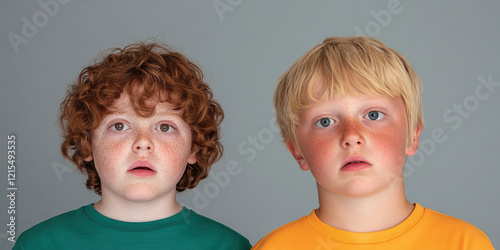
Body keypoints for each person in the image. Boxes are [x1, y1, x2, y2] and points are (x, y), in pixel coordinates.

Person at [253, 36, 494, 249]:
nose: (351, 136)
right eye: (325, 121)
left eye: (373, 115)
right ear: (297, 152)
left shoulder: (464, 243)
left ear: (413, 136)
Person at [14, 42, 251, 249]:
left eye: (165, 127)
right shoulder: (40, 244)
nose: (142, 143)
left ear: (194, 148)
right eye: (119, 126)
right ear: (87, 145)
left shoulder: (229, 246)